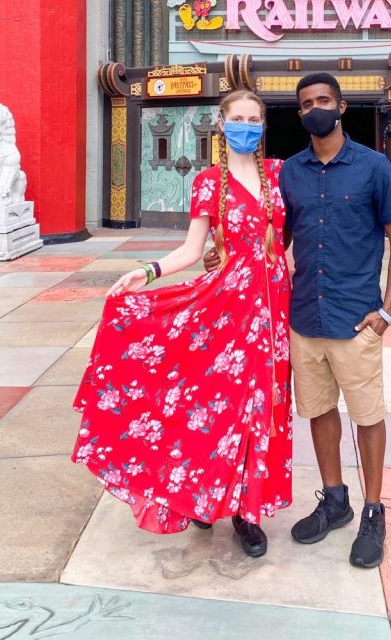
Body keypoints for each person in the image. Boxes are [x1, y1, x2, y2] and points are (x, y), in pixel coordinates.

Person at [72, 90, 292, 559]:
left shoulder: (280, 174)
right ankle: (203, 494)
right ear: (222, 121)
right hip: (224, 313)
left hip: (273, 315)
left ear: (263, 124)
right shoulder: (209, 182)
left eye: (254, 118)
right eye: (238, 118)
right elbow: (193, 251)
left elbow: (292, 238)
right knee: (215, 405)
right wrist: (146, 271)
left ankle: (246, 513)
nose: (246, 126)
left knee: (262, 411)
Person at [207, 73, 391, 567]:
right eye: (306, 104)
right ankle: (334, 499)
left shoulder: (373, 166)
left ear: (340, 108)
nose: (316, 108)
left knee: (367, 416)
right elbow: (277, 235)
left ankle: (372, 510)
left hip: (355, 317)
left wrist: (387, 310)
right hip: (302, 317)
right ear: (298, 115)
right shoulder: (288, 173)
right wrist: (226, 258)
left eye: (324, 100)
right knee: (319, 412)